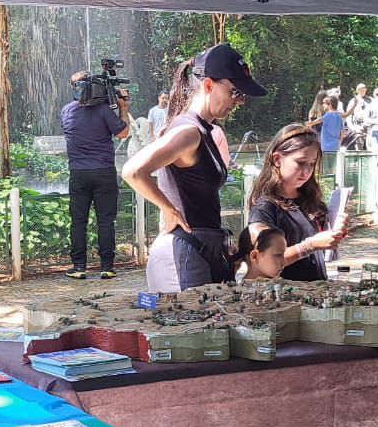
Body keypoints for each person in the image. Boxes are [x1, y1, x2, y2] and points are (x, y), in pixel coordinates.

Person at [124, 44, 266, 292]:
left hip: (200, 248)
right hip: (184, 249)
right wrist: (168, 209)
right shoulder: (188, 131)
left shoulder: (206, 130)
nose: (240, 101)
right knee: (192, 328)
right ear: (209, 85)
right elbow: (133, 171)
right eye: (235, 92)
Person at [246, 124, 349, 281]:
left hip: (316, 292)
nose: (307, 170)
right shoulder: (265, 208)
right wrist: (309, 246)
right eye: (301, 162)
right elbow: (264, 261)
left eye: (312, 163)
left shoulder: (312, 201)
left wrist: (335, 233)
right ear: (277, 159)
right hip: (283, 297)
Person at [59, 71, 131, 279]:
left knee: (78, 221)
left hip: (78, 173)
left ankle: (79, 267)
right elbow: (123, 133)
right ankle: (107, 267)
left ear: (74, 88)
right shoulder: (103, 111)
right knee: (106, 221)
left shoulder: (66, 111)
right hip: (104, 172)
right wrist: (123, 107)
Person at [311, 94, 345, 181]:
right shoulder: (339, 117)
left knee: (325, 170)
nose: (322, 105)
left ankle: (326, 186)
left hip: (326, 147)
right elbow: (342, 133)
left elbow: (314, 122)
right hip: (335, 147)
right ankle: (334, 185)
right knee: (334, 168)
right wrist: (339, 143)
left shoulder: (327, 116)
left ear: (329, 105)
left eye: (324, 103)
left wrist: (307, 124)